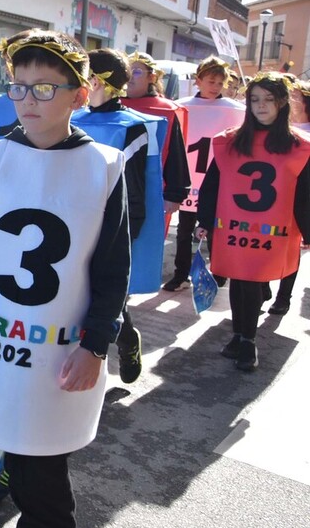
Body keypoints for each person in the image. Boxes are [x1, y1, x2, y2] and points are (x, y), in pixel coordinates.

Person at [0, 30, 130, 528]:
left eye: (44, 88)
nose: (27, 100)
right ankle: (11, 464)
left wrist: (96, 343)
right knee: (9, 422)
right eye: (18, 87)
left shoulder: (103, 166)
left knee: (45, 455)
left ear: (79, 95)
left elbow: (113, 268)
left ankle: (39, 517)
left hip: (60, 341)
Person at [196, 72, 310, 371]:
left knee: (252, 283)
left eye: (268, 100)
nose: (260, 106)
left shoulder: (300, 146)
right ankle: (241, 336)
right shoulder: (229, 142)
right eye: (254, 99)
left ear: (282, 103)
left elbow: (305, 194)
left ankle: (246, 339)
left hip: (274, 230)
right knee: (238, 279)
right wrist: (204, 220)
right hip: (232, 227)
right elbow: (212, 184)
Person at [72, 49, 165, 385]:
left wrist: (127, 236)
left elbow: (134, 191)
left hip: (112, 227)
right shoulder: (72, 118)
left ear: (97, 81)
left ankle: (125, 343)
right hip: (72, 223)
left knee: (106, 297)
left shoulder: (132, 127)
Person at [165, 56, 245, 291]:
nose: (215, 87)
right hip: (188, 178)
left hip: (216, 183)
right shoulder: (181, 106)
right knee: (184, 231)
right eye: (211, 81)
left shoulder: (235, 110)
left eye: (220, 83)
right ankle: (180, 274)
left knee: (215, 231)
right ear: (198, 80)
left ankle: (219, 273)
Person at [122, 51, 190, 240]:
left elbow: (175, 153)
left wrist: (174, 194)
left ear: (152, 77)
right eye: (126, 71)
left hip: (151, 192)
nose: (129, 76)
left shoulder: (166, 111)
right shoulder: (109, 106)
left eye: (136, 71)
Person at [267, 78, 310, 315]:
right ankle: (262, 285)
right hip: (274, 198)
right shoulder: (278, 130)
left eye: (294, 97)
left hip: (299, 199)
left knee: (291, 250)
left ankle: (284, 297)